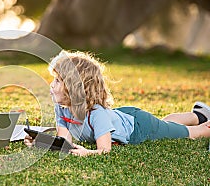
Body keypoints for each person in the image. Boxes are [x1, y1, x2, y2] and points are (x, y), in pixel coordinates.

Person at [24, 50, 210, 156]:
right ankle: (200, 114)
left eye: (57, 81)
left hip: (140, 126)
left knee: (189, 133)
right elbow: (65, 141)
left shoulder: (96, 113)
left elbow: (104, 149)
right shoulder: (62, 108)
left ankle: (202, 122)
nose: (51, 85)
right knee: (166, 123)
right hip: (125, 115)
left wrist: (88, 153)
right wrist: (41, 142)